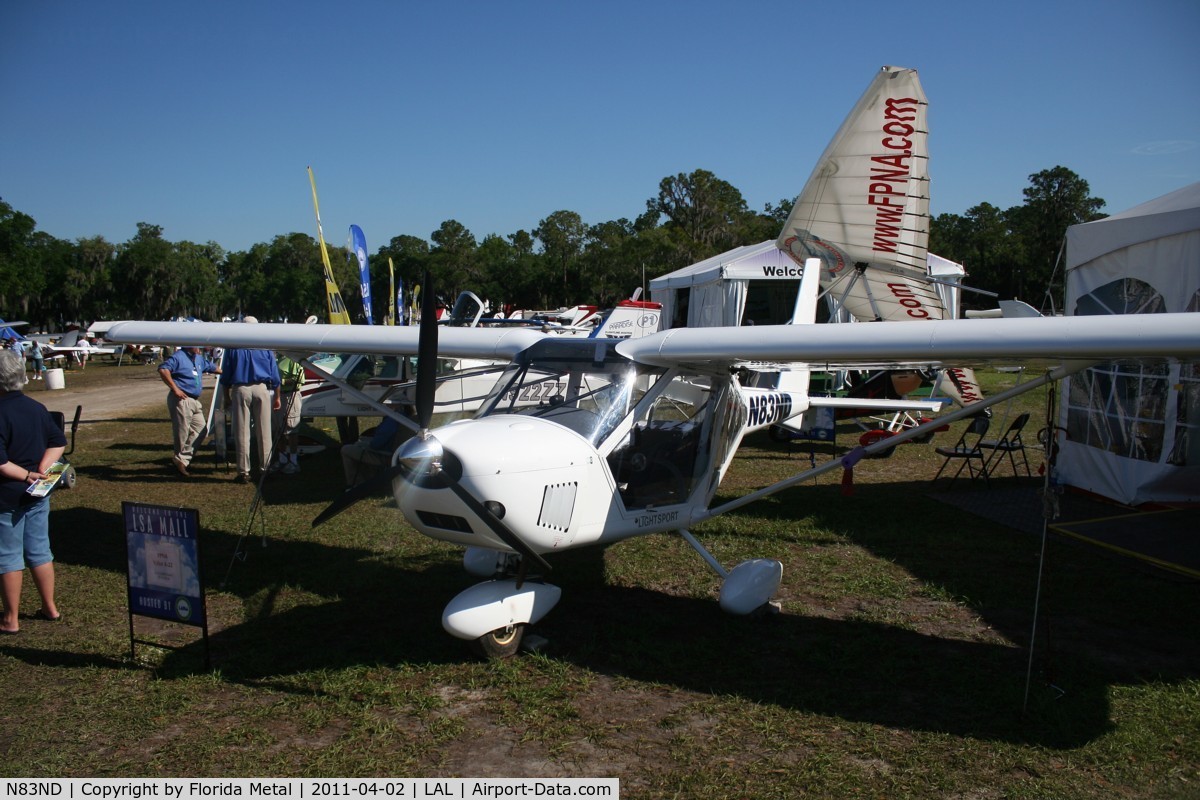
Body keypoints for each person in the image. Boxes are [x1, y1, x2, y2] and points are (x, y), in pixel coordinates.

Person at [0, 350, 67, 634]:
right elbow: (58, 442)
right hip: (38, 493)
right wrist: (41, 470)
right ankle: (50, 606)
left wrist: (28, 474)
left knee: (8, 555)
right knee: (40, 549)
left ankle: (10, 618)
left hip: (7, 495)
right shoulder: (37, 407)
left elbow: (1, 463)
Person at [218, 317, 280, 483]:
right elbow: (274, 374)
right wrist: (277, 394)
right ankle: (265, 467)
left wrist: (226, 396)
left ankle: (243, 471)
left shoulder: (234, 347)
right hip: (261, 388)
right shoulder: (264, 346)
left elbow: (226, 375)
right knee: (264, 430)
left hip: (241, 388)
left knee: (242, 431)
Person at [158, 346, 222, 477]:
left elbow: (214, 368)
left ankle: (182, 459)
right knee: (182, 432)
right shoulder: (178, 357)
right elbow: (163, 369)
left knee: (201, 429)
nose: (200, 348)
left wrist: (233, 370)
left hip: (194, 400)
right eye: (196, 345)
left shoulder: (198, 358)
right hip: (182, 399)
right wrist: (175, 389)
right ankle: (180, 464)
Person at [340, 416, 407, 486]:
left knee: (345, 449)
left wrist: (365, 443)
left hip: (385, 455)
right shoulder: (401, 416)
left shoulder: (392, 419)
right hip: (393, 453)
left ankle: (357, 484)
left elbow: (375, 444)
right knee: (358, 443)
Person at [271, 353, 305, 474]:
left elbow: (299, 379)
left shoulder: (292, 358)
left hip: (290, 395)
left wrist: (280, 381)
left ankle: (294, 461)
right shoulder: (278, 358)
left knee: (291, 430)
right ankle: (282, 459)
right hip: (279, 395)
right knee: (279, 429)